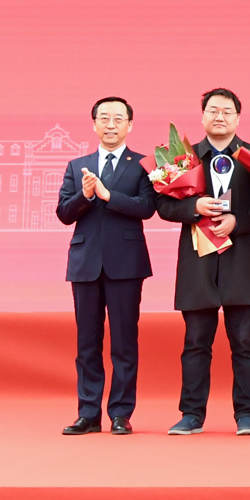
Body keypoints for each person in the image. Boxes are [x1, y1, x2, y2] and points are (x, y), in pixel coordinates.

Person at [155, 88, 250, 436]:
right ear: (203, 116)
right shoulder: (182, 159)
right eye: (213, 110)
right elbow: (163, 206)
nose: (220, 116)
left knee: (245, 343)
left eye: (227, 111)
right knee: (195, 343)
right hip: (198, 263)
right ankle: (191, 414)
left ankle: (247, 414)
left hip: (242, 262)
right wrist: (194, 207)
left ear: (238, 117)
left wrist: (239, 220)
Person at [55, 96, 156, 435]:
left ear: (130, 124)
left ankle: (121, 413)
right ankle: (88, 413)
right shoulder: (77, 165)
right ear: (94, 124)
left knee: (124, 342)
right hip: (85, 263)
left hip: (126, 264)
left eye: (118, 118)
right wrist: (85, 196)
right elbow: (63, 213)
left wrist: (108, 195)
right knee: (87, 342)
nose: (111, 124)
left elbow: (147, 207)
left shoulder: (143, 165)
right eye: (104, 118)